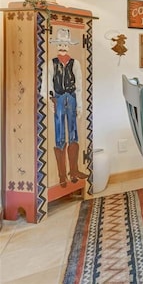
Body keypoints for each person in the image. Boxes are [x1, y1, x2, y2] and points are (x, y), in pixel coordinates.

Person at [46, 27, 88, 187]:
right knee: (59, 134)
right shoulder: (52, 64)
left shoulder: (75, 63)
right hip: (58, 97)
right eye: (60, 46)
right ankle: (62, 175)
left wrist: (79, 105)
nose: (62, 49)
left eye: (65, 46)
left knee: (73, 132)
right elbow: (48, 82)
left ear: (68, 47)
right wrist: (51, 99)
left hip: (71, 98)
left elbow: (79, 85)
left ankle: (74, 170)